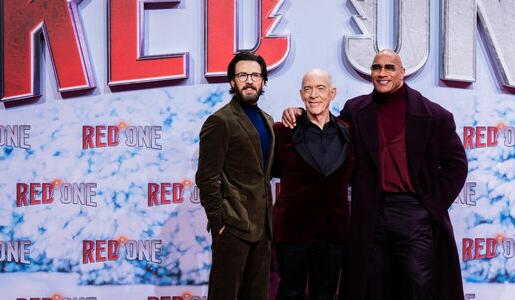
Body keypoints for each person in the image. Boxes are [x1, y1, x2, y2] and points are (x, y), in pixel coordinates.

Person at [283, 50, 468, 299]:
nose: (382, 73)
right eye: (376, 67)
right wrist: (298, 112)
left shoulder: (435, 115)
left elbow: (456, 165)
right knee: (371, 286)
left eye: (389, 68)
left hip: (413, 213)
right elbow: (327, 130)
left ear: (402, 73)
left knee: (418, 285)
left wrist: (430, 208)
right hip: (370, 213)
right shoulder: (356, 110)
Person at [196, 51, 275, 300]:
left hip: (263, 228)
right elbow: (206, 178)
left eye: (255, 75)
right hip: (233, 227)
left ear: (263, 81)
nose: (249, 80)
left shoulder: (268, 120)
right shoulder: (220, 121)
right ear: (232, 81)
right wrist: (220, 223)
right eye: (242, 75)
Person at [272, 69, 354, 300]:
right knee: (290, 292)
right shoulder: (283, 131)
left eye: (320, 88)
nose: (314, 95)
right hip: (292, 231)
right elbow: (268, 172)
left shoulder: (348, 133)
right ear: (301, 94)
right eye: (308, 89)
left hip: (334, 230)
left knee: (325, 295)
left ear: (332, 93)